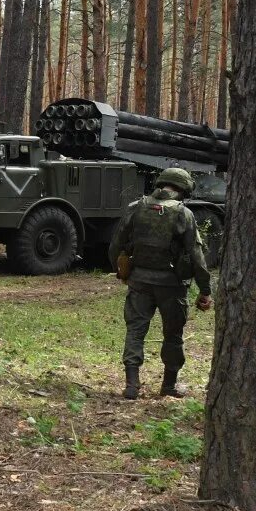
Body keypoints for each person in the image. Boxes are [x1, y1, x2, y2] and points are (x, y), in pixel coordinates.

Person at [107, 167, 214, 399]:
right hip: (172, 285)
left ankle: (132, 386)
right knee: (173, 335)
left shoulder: (136, 208)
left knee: (135, 331)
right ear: (183, 189)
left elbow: (116, 245)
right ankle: (169, 386)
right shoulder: (183, 214)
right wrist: (205, 290)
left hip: (139, 281)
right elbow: (197, 257)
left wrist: (120, 271)